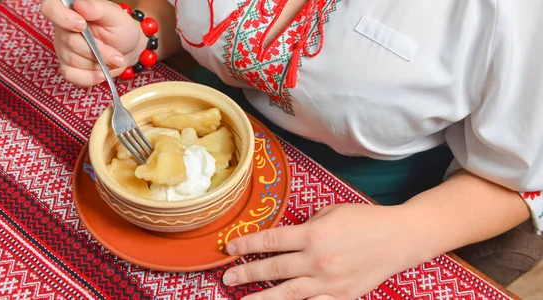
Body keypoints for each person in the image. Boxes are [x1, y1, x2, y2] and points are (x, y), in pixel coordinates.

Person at [42, 0, 543, 299]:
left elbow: (521, 171)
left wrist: (408, 233)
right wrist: (136, 36)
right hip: (193, 114)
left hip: (358, 211)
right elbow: (186, 15)